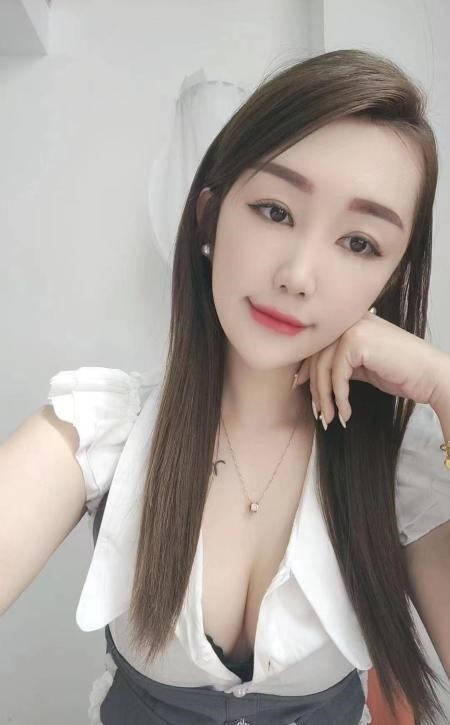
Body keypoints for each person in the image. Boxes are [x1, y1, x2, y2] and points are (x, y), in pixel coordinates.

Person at [2, 48, 450, 725]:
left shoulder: (402, 464)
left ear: (390, 277)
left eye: (359, 243)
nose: (299, 274)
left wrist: (445, 387)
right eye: (275, 210)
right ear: (211, 217)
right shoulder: (100, 429)